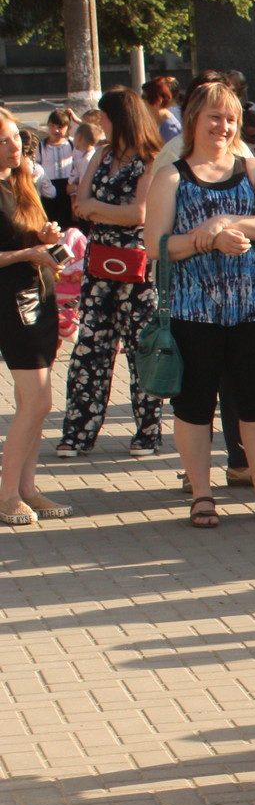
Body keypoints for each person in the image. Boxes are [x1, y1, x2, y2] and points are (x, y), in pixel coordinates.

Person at [142, 81, 255, 530]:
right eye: (214, 117)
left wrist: (228, 222)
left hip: (252, 307)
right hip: (193, 311)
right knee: (194, 404)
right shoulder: (170, 174)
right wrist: (204, 239)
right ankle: (202, 493)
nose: (223, 126)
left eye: (229, 118)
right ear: (192, 120)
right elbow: (155, 245)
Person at [60, 86, 164, 460]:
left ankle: (148, 432)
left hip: (138, 269)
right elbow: (78, 205)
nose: (99, 123)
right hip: (99, 265)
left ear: (119, 118)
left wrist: (96, 208)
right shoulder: (103, 154)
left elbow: (139, 214)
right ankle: (78, 433)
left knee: (142, 350)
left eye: (103, 117)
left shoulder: (151, 159)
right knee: (90, 349)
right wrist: (101, 210)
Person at [0, 107, 69, 526]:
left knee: (34, 404)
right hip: (12, 304)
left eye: (15, 139)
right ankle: (8, 493)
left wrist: (45, 238)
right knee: (38, 400)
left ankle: (27, 487)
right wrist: (28, 252)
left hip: (40, 297)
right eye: (4, 142)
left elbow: (28, 234)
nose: (15, 148)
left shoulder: (19, 181)